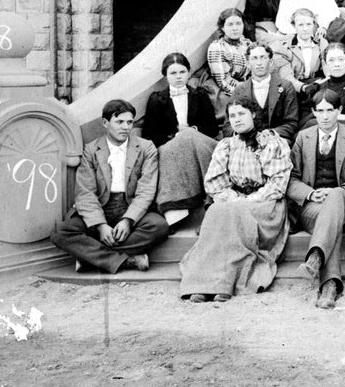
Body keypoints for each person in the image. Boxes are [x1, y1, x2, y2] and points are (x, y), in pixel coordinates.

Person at [180, 97, 292, 302]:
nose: (237, 120)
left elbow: (277, 184)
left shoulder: (271, 142)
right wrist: (233, 198)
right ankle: (202, 282)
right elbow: (214, 182)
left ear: (254, 115)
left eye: (242, 114)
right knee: (215, 210)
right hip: (235, 200)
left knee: (237, 212)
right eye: (232, 116)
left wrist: (247, 201)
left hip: (266, 204)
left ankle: (228, 282)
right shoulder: (227, 145)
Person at [51, 100, 168, 273]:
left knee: (159, 226)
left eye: (129, 122)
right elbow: (85, 193)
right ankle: (129, 260)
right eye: (119, 122)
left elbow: (146, 191)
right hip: (101, 206)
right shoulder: (91, 150)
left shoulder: (145, 147)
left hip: (130, 205)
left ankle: (90, 259)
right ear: (105, 123)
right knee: (61, 232)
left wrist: (128, 220)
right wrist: (100, 225)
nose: (125, 127)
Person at [288, 88, 345, 309]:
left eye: (330, 110)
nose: (325, 116)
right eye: (320, 111)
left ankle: (316, 257)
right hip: (313, 206)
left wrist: (343, 190)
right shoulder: (303, 137)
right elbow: (291, 179)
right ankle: (330, 284)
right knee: (330, 221)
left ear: (339, 110)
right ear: (313, 112)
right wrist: (310, 193)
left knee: (337, 196)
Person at [141, 53, 218, 224]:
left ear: (189, 73)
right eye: (173, 73)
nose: (178, 77)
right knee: (179, 144)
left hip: (198, 142)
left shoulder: (200, 95)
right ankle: (177, 207)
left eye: (182, 72)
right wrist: (177, 136)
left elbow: (212, 128)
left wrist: (193, 131)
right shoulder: (157, 99)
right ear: (165, 75)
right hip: (169, 145)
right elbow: (150, 136)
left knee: (190, 137)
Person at [231, 43, 300, 144]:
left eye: (263, 58)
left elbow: (291, 123)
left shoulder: (286, 87)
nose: (259, 63)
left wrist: (270, 134)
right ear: (248, 63)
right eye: (254, 58)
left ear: (271, 61)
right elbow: (228, 126)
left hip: (277, 141)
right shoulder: (239, 90)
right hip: (248, 142)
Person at [205, 8, 252, 123]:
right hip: (228, 90)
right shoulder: (217, 47)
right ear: (222, 27)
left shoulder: (247, 43)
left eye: (238, 23)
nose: (235, 28)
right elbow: (223, 81)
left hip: (248, 85)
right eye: (230, 24)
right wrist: (246, 90)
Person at [272, 8, 327, 92]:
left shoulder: (320, 44)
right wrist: (303, 87)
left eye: (308, 24)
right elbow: (286, 76)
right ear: (294, 26)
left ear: (314, 24)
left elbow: (326, 65)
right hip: (291, 88)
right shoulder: (284, 46)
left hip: (314, 84)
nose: (305, 29)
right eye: (300, 25)